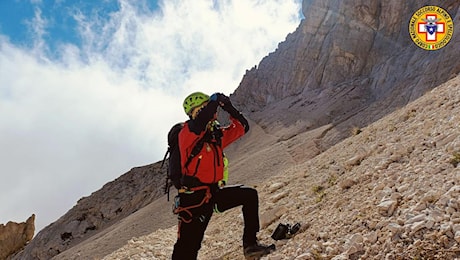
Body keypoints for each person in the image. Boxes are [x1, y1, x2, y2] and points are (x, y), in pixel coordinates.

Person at [171, 92, 274, 259]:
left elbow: (242, 126)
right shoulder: (186, 132)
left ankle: (251, 246)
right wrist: (213, 102)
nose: (209, 112)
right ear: (193, 114)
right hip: (193, 200)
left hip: (213, 193)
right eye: (201, 109)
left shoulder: (214, 138)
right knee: (188, 247)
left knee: (249, 195)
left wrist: (228, 107)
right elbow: (200, 123)